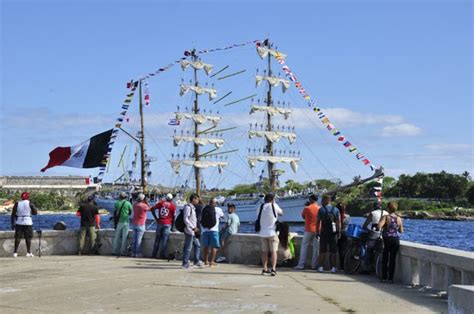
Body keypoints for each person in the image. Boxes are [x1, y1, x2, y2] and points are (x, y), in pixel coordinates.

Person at [257, 193, 283, 276]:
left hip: (262, 232)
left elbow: (258, 216)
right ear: (272, 199)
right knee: (273, 251)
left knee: (264, 252)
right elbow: (281, 213)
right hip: (272, 232)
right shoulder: (274, 205)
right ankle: (273, 269)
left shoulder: (260, 207)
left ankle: (264, 269)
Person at [378, 202, 403, 283]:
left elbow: (379, 226)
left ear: (388, 208)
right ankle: (391, 278)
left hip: (387, 239)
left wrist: (380, 223)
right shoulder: (399, 218)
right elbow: (401, 231)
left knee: (385, 258)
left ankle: (384, 277)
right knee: (392, 259)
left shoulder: (386, 217)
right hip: (395, 239)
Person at [315, 195, 340, 273]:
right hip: (334, 233)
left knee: (323, 250)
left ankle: (321, 267)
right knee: (333, 251)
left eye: (322, 200)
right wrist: (338, 232)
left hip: (324, 232)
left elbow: (318, 222)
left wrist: (317, 232)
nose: (321, 202)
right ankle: (333, 267)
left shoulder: (321, 210)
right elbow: (338, 222)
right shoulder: (336, 210)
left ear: (326, 200)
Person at [294, 194, 320, 270]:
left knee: (304, 247)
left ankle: (301, 265)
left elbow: (303, 217)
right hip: (317, 230)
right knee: (316, 249)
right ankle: (314, 265)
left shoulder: (307, 208)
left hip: (308, 229)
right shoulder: (319, 208)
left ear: (311, 199)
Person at [11, 192, 38, 257]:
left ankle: (15, 252)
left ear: (21, 197)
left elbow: (13, 214)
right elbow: (35, 212)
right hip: (28, 221)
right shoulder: (30, 203)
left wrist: (12, 223)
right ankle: (28, 252)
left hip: (19, 222)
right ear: (28, 197)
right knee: (28, 237)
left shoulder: (17, 203)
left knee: (17, 237)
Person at [150, 193, 176, 259]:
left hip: (160, 222)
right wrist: (173, 227)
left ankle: (154, 254)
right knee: (164, 240)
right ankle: (162, 255)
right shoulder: (172, 206)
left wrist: (156, 218)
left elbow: (152, 209)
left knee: (157, 239)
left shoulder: (161, 203)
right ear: (171, 199)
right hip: (167, 224)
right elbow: (173, 217)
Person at [201, 198, 224, 267]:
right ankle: (212, 262)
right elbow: (223, 217)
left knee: (206, 246)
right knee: (214, 246)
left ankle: (205, 261)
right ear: (215, 203)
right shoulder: (218, 209)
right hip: (214, 230)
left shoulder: (204, 208)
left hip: (205, 230)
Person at [182, 193, 203, 269]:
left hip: (193, 231)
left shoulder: (193, 208)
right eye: (197, 199)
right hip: (189, 231)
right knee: (188, 248)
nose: (198, 200)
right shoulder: (188, 207)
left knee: (197, 245)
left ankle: (196, 261)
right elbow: (185, 219)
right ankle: (185, 263)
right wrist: (192, 227)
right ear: (193, 199)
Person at [112, 191, 132, 256]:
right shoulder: (128, 203)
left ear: (120, 197)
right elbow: (130, 212)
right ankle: (123, 252)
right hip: (126, 221)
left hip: (119, 222)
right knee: (124, 237)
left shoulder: (117, 203)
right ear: (125, 197)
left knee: (117, 237)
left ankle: (114, 251)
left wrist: (115, 221)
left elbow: (115, 213)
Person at [131, 193, 150, 257]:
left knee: (134, 240)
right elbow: (150, 209)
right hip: (141, 224)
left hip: (134, 223)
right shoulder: (144, 206)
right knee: (138, 240)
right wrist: (146, 202)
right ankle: (137, 253)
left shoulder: (135, 204)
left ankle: (133, 253)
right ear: (143, 199)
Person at [336, 202, 350, 270]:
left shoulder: (336, 215)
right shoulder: (347, 216)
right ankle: (343, 266)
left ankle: (337, 266)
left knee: (337, 250)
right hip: (345, 233)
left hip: (338, 233)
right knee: (343, 250)